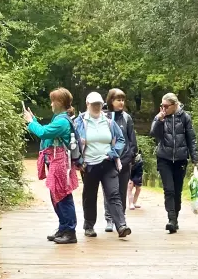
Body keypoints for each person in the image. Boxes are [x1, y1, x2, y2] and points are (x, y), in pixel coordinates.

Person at [24, 88, 79, 244]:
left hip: (61, 163)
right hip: (56, 161)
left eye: (52, 101)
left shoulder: (62, 121)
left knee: (63, 196)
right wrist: (34, 120)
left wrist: (30, 122)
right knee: (56, 195)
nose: (51, 104)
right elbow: (47, 133)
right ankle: (63, 228)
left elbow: (43, 133)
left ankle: (70, 231)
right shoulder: (59, 118)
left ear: (59, 102)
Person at [74, 91, 131, 238]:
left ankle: (121, 225)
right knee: (90, 195)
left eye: (99, 104)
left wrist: (113, 153)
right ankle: (89, 226)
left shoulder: (109, 122)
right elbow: (73, 142)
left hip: (108, 163)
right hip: (89, 165)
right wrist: (79, 161)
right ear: (87, 104)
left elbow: (121, 139)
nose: (97, 107)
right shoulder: (80, 122)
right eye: (94, 104)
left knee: (113, 194)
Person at [150, 93, 198, 233]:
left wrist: (195, 159)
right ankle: (171, 219)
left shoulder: (185, 117)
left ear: (175, 105)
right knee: (169, 190)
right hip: (164, 158)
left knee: (177, 191)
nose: (163, 108)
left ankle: (175, 218)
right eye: (162, 106)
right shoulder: (160, 117)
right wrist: (159, 121)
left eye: (166, 106)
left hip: (180, 159)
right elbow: (154, 134)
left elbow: (191, 139)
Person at [105, 89, 138, 232]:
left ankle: (121, 219)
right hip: (108, 160)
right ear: (111, 101)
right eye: (118, 100)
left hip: (124, 160)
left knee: (122, 191)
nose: (121, 103)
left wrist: (129, 156)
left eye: (123, 100)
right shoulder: (105, 117)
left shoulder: (127, 118)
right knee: (109, 190)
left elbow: (132, 140)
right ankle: (109, 219)